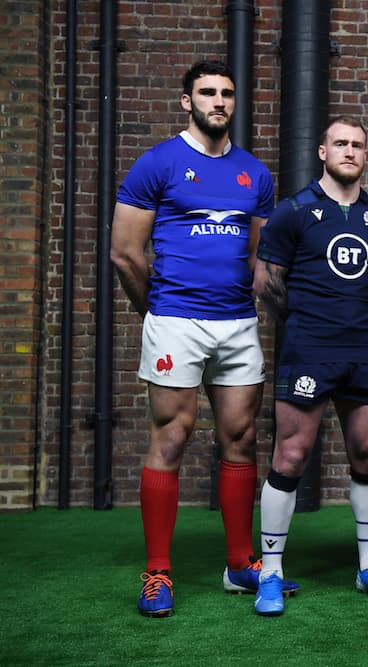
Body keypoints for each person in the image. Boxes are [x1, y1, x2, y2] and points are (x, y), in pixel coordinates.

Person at [111, 60, 297, 617]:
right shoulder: (158, 163)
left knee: (240, 436)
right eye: (207, 92)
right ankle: (158, 573)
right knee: (172, 435)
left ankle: (240, 563)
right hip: (176, 319)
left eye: (227, 93)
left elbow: (259, 257)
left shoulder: (253, 174)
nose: (218, 101)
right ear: (186, 101)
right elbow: (125, 252)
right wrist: (157, 311)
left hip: (237, 322)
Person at [251, 116, 368, 616]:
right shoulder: (293, 212)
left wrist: (349, 316)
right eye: (340, 143)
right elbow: (267, 283)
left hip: (363, 347)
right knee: (291, 455)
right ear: (322, 151)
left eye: (357, 145)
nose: (349, 151)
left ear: (366, 154)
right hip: (308, 346)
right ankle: (270, 572)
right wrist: (309, 321)